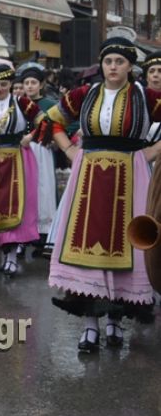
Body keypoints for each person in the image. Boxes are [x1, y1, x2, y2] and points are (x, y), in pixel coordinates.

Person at [40, 37, 161, 352]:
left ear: (130, 66)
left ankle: (114, 322)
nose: (113, 67)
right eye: (108, 62)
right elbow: (51, 119)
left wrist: (151, 151)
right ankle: (90, 325)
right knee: (88, 245)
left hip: (131, 175)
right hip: (89, 176)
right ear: (102, 65)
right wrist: (69, 150)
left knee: (127, 244)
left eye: (119, 62)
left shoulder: (146, 97)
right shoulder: (86, 94)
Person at [0, 64, 44, 276]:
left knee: (17, 204)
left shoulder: (21, 102)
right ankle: (4, 253)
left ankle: (13, 256)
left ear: (11, 85)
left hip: (17, 157)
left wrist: (31, 136)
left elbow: (44, 121)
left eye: (4, 84)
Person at [20, 67, 58, 253]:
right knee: (25, 189)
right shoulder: (19, 103)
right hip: (22, 149)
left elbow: (59, 123)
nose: (29, 86)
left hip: (41, 149)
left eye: (33, 83)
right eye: (26, 83)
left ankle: (44, 234)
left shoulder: (48, 104)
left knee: (43, 187)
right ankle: (26, 231)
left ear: (41, 85)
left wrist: (50, 139)